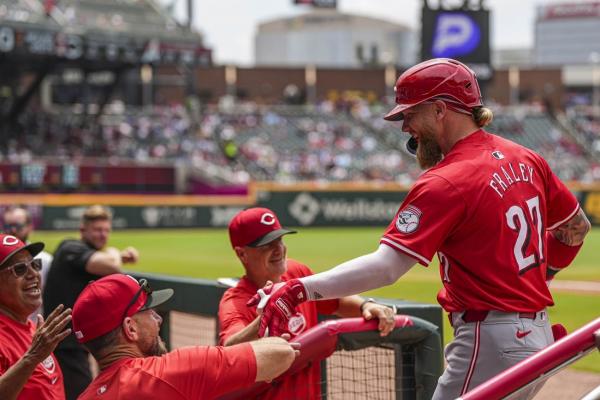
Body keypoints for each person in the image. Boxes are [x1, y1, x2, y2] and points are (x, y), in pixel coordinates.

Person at [254, 58, 592, 400]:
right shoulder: (526, 157)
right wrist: (538, 278)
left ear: (440, 109)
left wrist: (299, 289)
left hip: (490, 339)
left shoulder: (446, 179)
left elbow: (386, 267)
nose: (405, 127)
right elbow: (576, 228)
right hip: (537, 335)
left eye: (410, 113)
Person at [219, 207, 396, 399]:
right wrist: (263, 319)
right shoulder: (236, 301)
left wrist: (366, 306)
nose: (278, 249)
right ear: (242, 254)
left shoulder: (296, 272)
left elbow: (336, 301)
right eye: (266, 244)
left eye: (279, 239)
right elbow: (230, 350)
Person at [71, 274, 298, 400]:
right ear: (130, 329)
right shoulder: (169, 373)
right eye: (148, 311)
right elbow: (280, 354)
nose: (158, 319)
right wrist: (266, 319)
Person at [43, 205, 139, 400]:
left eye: (106, 230)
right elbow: (111, 266)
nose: (102, 235)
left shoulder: (81, 253)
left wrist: (117, 256)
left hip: (71, 341)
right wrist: (115, 253)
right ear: (82, 230)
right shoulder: (70, 247)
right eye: (97, 230)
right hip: (65, 343)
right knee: (82, 394)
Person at [0, 234, 72, 400]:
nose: (34, 274)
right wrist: (32, 358)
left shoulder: (34, 328)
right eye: (19, 269)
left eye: (35, 265)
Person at [3, 206, 54, 318]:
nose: (13, 230)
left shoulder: (46, 260)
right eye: (8, 226)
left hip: (36, 326)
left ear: (30, 227)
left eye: (35, 265)